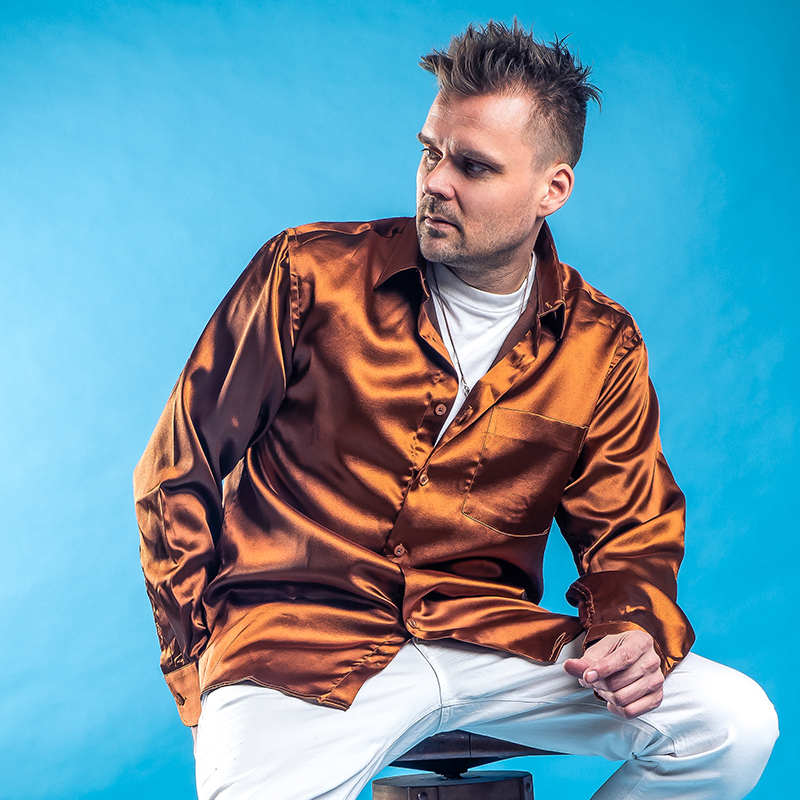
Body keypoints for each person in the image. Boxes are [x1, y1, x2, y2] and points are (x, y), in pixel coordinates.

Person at [134, 21, 777, 800]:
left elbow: (629, 532)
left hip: (489, 645)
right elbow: (177, 469)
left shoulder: (601, 344)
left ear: (552, 189)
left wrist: (631, 628)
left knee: (732, 723)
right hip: (300, 644)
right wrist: (196, 660)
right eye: (430, 152)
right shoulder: (307, 274)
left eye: (473, 165)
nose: (437, 182)